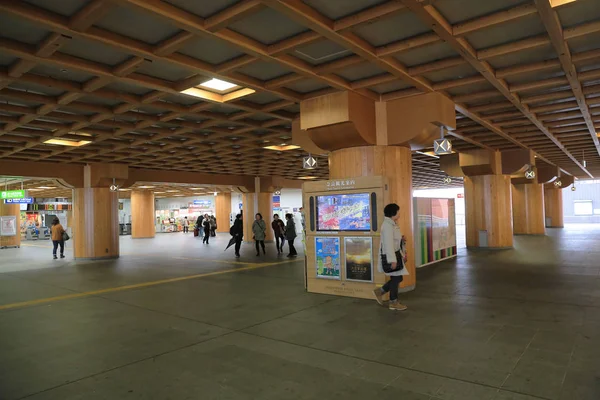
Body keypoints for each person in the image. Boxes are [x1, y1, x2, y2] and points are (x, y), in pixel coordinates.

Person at [373, 203, 409, 311]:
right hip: (392, 256)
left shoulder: (392, 224)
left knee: (398, 277)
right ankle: (393, 302)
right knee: (396, 278)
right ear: (393, 213)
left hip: (395, 254)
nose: (399, 214)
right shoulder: (388, 225)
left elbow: (393, 240)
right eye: (398, 211)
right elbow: (388, 244)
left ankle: (380, 292)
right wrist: (392, 260)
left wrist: (401, 239)